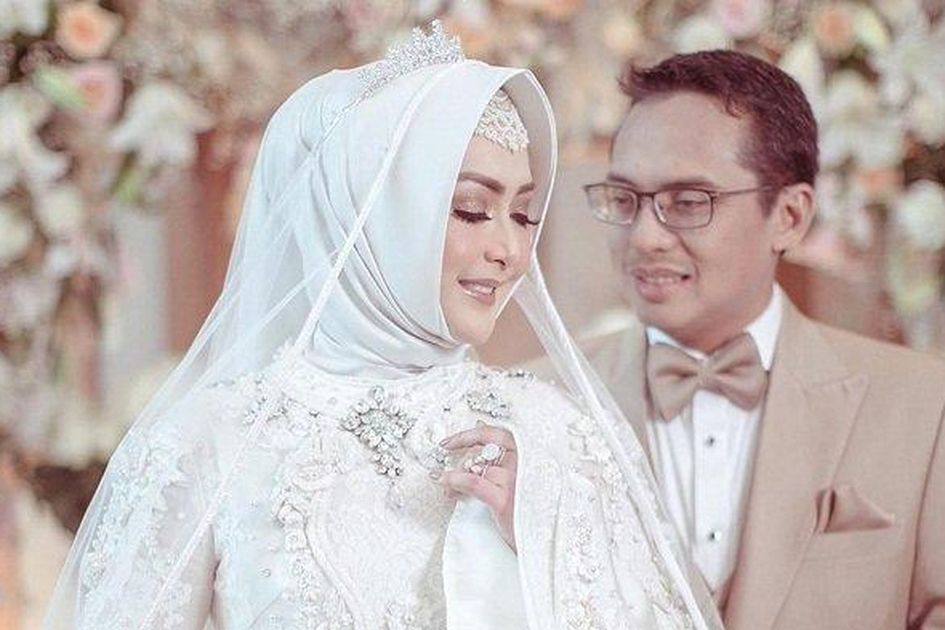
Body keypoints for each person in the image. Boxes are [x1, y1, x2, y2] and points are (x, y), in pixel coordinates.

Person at [44, 24, 721, 630]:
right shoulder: (207, 442)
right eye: (470, 209)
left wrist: (550, 535)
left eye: (522, 215)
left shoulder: (553, 431)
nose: (510, 250)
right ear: (368, 216)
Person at [580, 49, 945, 629]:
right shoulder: (541, 398)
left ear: (790, 217)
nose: (645, 237)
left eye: (688, 202)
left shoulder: (924, 405)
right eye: (624, 200)